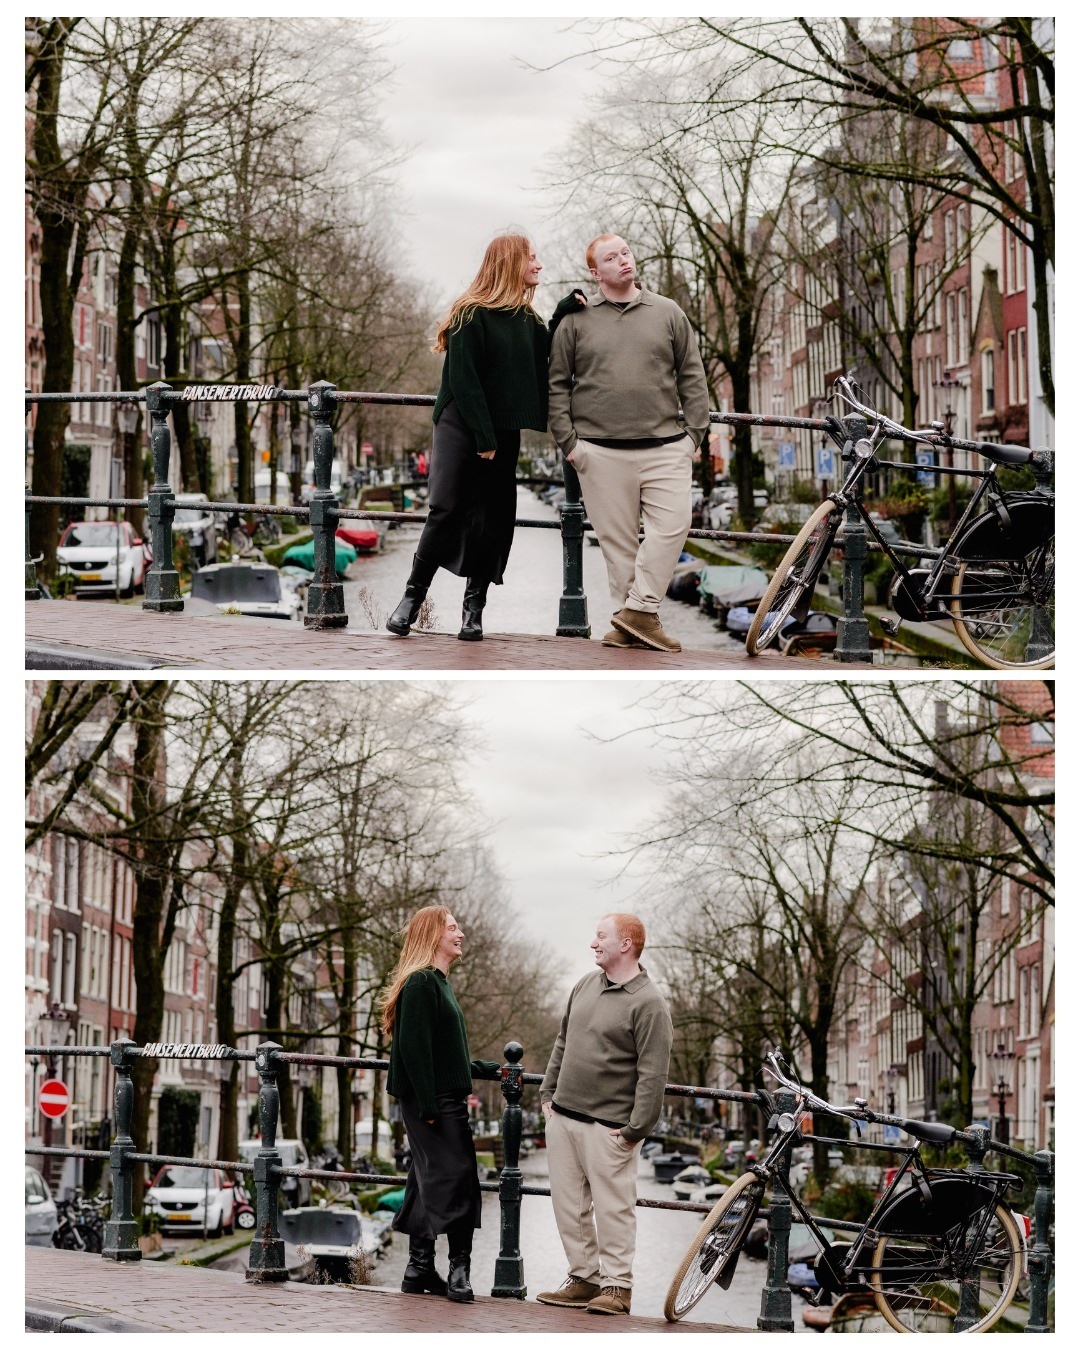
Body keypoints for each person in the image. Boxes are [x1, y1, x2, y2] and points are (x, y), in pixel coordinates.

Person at [548, 234, 711, 653]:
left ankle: (636, 613)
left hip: (666, 445)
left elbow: (692, 374)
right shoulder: (575, 321)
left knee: (674, 526)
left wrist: (695, 434)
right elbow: (556, 384)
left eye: (625, 252)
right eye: (610, 257)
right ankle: (633, 627)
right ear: (594, 271)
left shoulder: (668, 312)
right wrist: (570, 444)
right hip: (598, 451)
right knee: (618, 547)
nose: (623, 260)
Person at [386, 233, 550, 642]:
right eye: (532, 257)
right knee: (447, 508)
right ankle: (411, 598)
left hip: (504, 427)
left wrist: (566, 311)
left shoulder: (530, 321)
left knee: (495, 519)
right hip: (462, 424)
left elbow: (548, 355)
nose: (539, 264)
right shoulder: (469, 313)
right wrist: (483, 436)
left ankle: (473, 611)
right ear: (511, 262)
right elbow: (464, 378)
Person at [537, 913, 673, 1316]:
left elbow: (653, 1075)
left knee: (614, 1209)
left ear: (626, 944)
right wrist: (547, 1092)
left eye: (601, 937)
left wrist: (635, 1130)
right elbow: (564, 1039)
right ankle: (583, 1279)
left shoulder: (649, 1005)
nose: (593, 944)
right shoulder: (584, 985)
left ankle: (617, 1287)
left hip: (610, 1127)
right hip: (563, 1116)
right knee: (569, 1205)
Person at [380, 906, 500, 1301]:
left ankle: (418, 1268)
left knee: (424, 1179)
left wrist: (481, 1069)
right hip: (431, 1103)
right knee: (460, 1177)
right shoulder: (420, 983)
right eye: (452, 928)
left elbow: (438, 1051)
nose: (460, 933)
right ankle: (459, 1271)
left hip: (438, 1097)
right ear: (433, 935)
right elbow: (414, 1052)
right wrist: (430, 1108)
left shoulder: (439, 983)